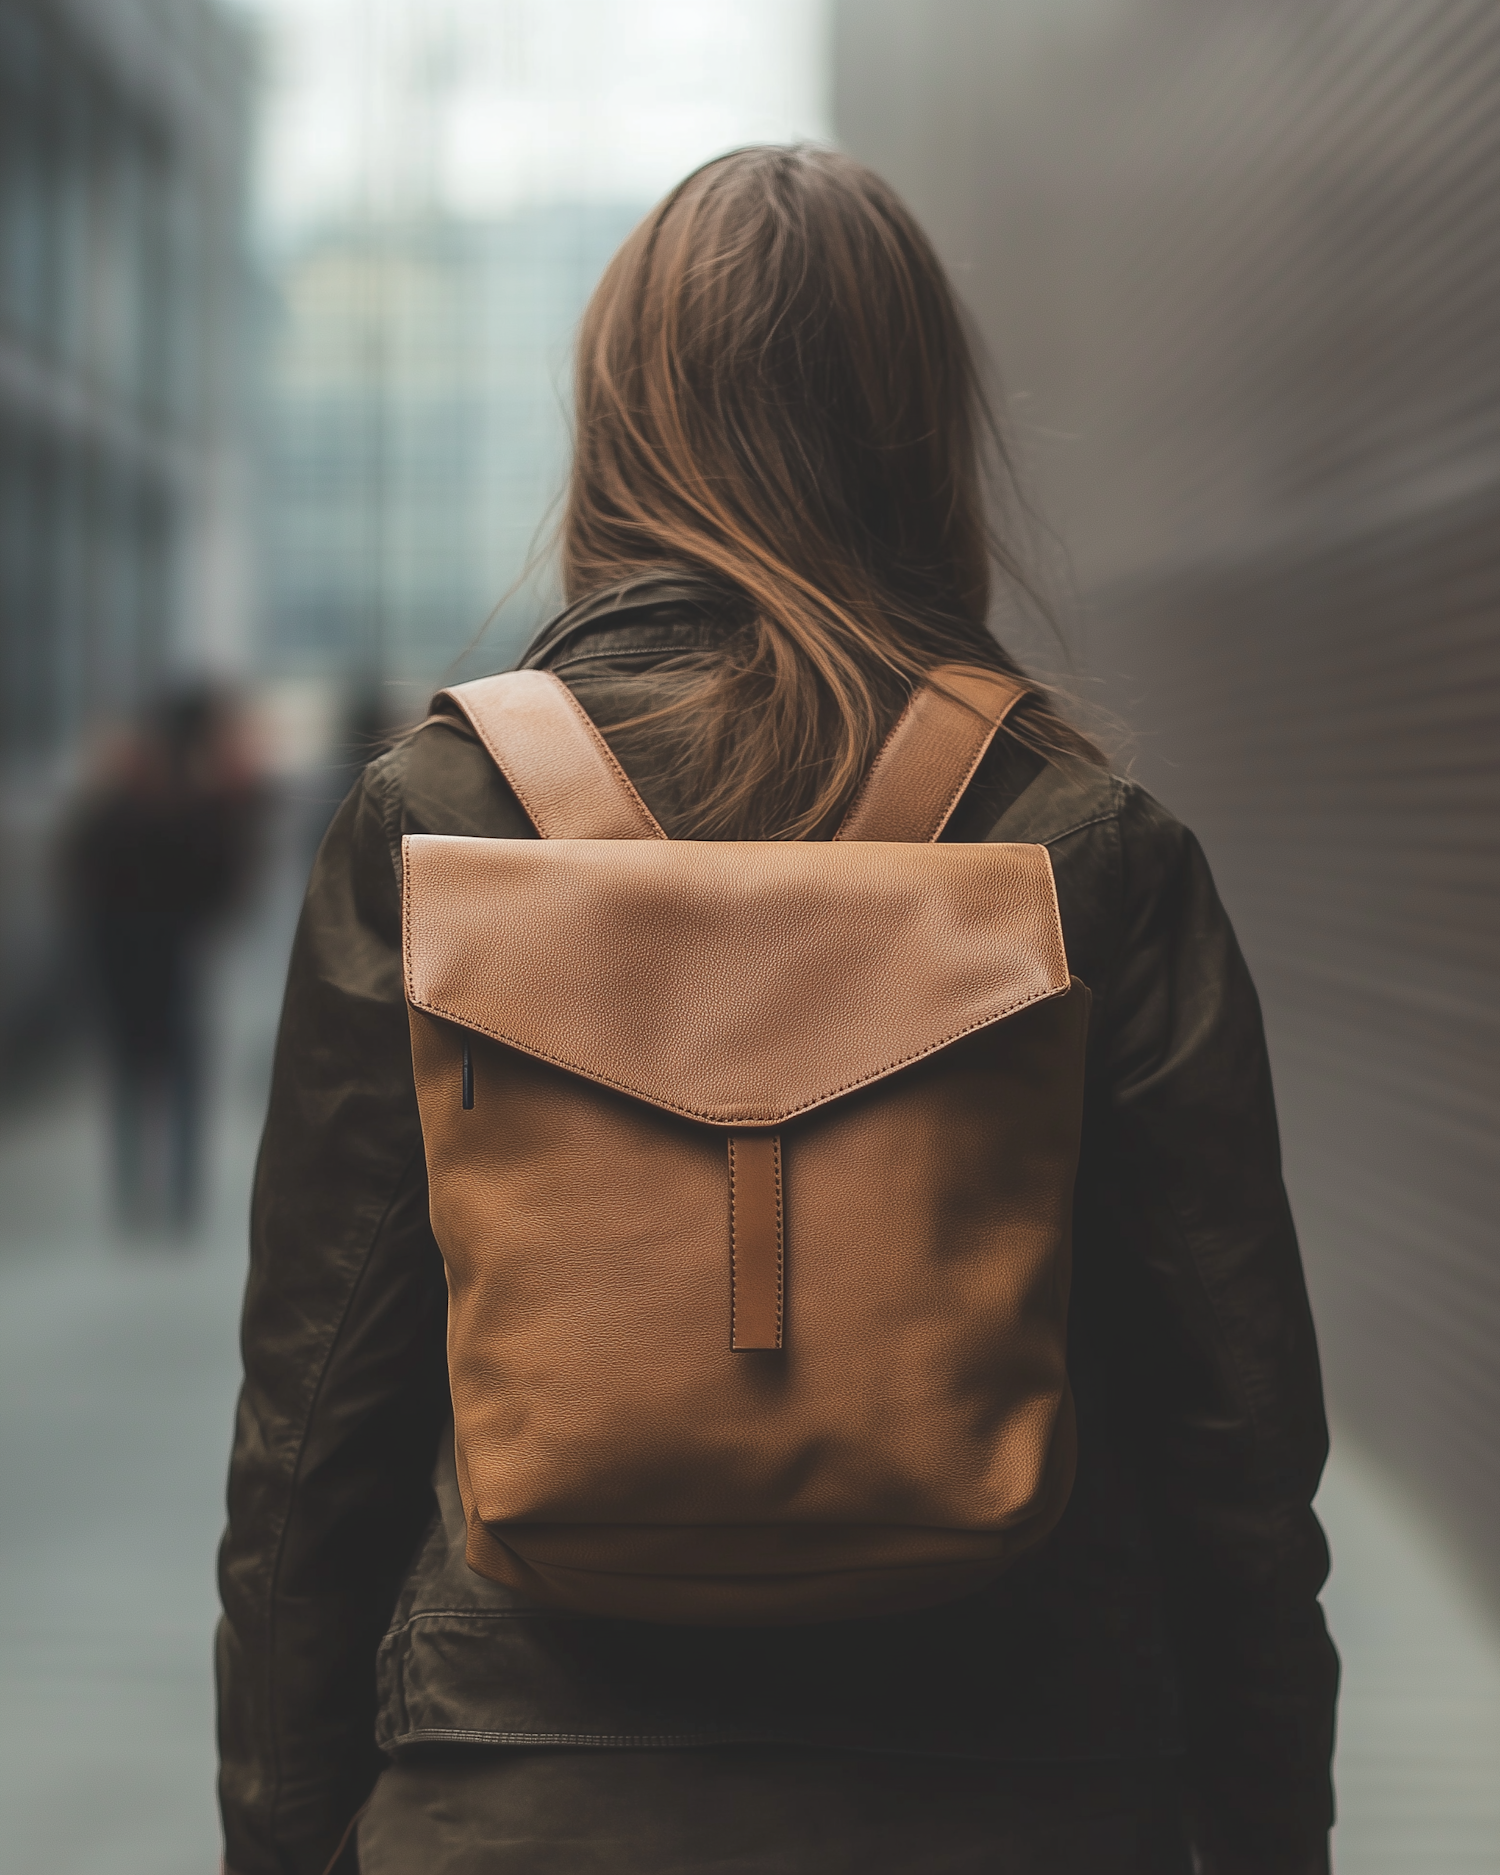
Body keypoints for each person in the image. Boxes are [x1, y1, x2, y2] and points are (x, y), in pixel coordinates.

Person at [217, 147, 1337, 1875]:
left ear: (619, 419)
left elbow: (313, 1443)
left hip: (522, 1790)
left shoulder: (446, 813)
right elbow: (1236, 1443)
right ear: (921, 430)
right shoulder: (1081, 842)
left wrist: (286, 1839)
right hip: (1021, 1784)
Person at [65, 684, 260, 1231]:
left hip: (147, 960)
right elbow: (222, 880)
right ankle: (157, 1191)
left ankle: (162, 1192)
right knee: (156, 1078)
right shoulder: (169, 813)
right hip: (148, 961)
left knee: (151, 1077)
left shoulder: (118, 816)